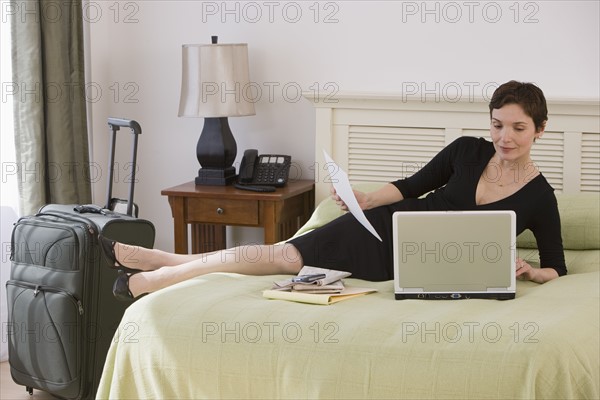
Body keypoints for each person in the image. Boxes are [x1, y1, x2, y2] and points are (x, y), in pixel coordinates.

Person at [100, 80, 567, 301]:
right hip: (388, 230)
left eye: (518, 128)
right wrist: (364, 200)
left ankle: (161, 261)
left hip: (433, 268)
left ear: (540, 130)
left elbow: (557, 268)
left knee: (278, 255)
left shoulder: (540, 198)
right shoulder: (467, 150)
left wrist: (530, 271)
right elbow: (411, 186)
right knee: (282, 256)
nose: (504, 137)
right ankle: (152, 277)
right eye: (497, 125)